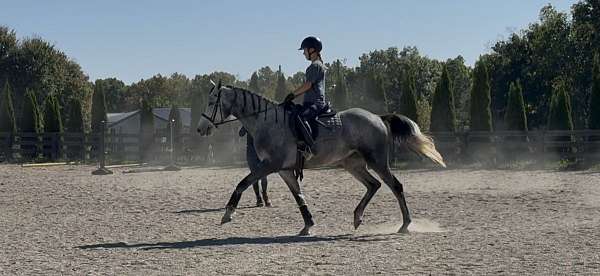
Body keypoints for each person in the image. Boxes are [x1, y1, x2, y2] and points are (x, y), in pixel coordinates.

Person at [284, 36, 327, 159]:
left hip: (316, 103)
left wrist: (292, 95)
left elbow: (308, 85)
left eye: (305, 50)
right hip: (311, 102)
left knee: (300, 117)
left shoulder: (315, 66)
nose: (303, 53)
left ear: (312, 50)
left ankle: (309, 148)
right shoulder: (318, 65)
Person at [239, 127, 270, 207]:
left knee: (264, 174)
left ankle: (265, 194)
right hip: (251, 150)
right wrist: (245, 125)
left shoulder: (261, 121)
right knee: (254, 174)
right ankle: (258, 197)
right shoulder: (247, 122)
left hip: (261, 149)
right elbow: (241, 134)